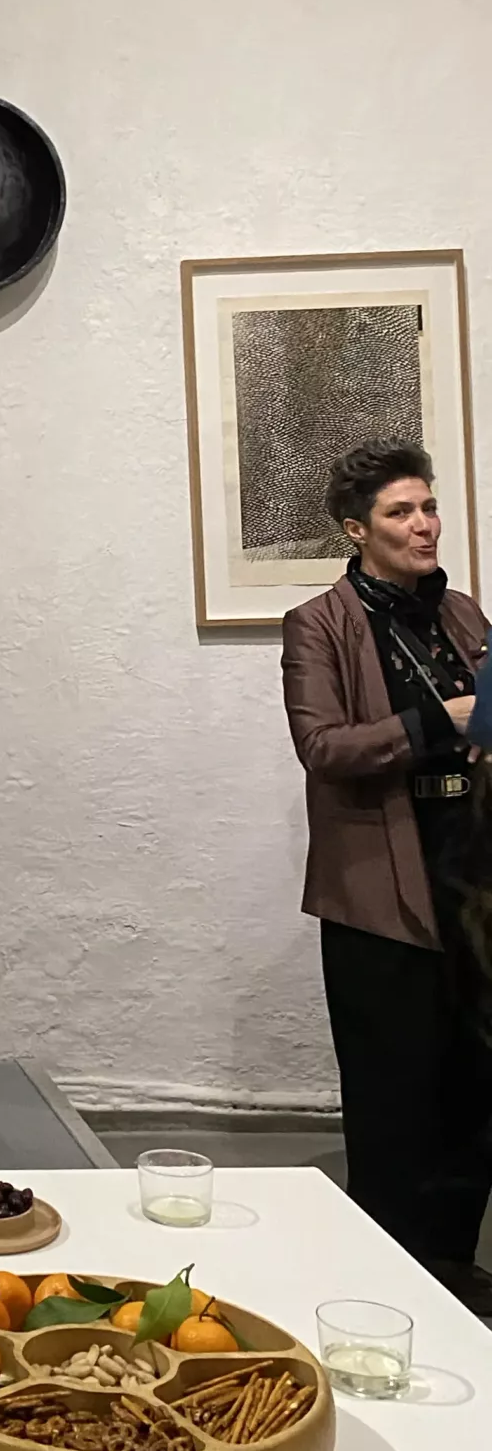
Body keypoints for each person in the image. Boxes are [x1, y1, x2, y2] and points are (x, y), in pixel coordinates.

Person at [281, 442, 492, 1304]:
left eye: (429, 507)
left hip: (473, 880)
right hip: (379, 890)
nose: (424, 525)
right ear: (356, 530)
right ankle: (387, 1288)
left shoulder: (464, 613)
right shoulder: (318, 623)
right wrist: (441, 720)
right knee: (392, 1100)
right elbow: (324, 748)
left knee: (475, 1094)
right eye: (401, 512)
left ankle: (452, 1274)